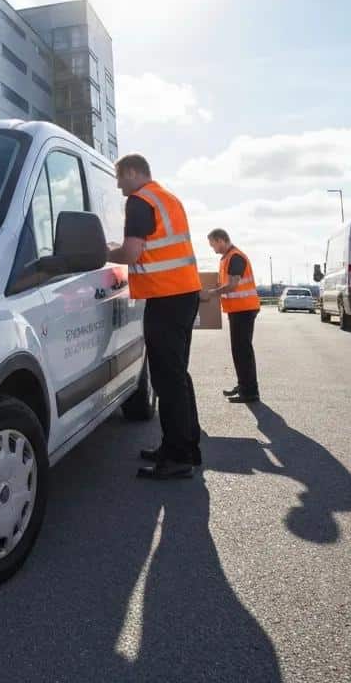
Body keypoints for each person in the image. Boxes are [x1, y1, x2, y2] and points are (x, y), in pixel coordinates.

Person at [108, 154, 202, 480]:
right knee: (176, 374)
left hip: (167, 297)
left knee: (167, 378)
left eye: (120, 177)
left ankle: (177, 458)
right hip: (184, 293)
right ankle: (184, 446)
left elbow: (131, 253)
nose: (119, 185)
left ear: (133, 172)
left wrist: (104, 253)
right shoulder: (167, 197)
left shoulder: (139, 201)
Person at [205, 229, 261, 402]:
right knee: (239, 350)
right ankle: (244, 385)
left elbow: (233, 285)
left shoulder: (235, 257)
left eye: (213, 244)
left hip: (243, 310)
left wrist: (212, 293)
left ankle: (250, 392)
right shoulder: (227, 258)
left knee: (242, 350)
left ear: (221, 240)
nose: (212, 249)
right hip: (238, 310)